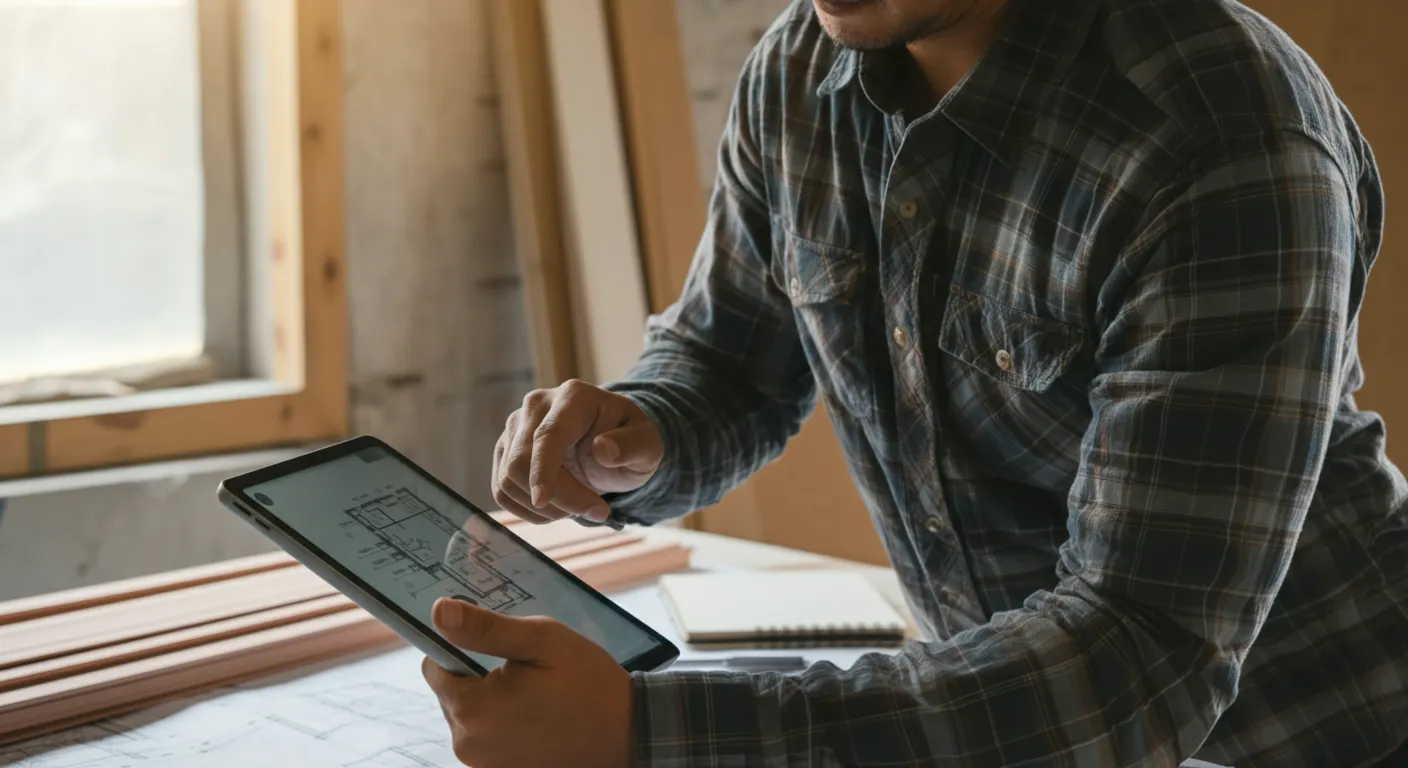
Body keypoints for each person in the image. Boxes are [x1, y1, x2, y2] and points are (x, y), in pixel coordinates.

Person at [418, 0, 1408, 765]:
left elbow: (1137, 650)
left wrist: (648, 736)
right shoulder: (799, 73)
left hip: (1317, 732)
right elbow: (728, 363)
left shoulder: (1221, 139)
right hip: (1003, 730)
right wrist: (631, 441)